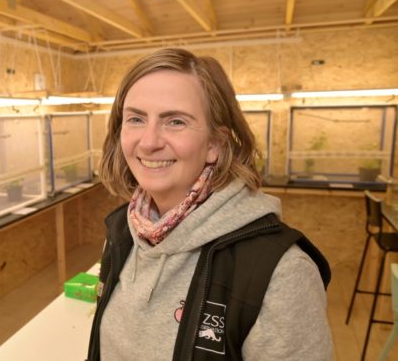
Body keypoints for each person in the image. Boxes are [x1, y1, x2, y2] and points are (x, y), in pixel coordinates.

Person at [87, 48, 332, 361]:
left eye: (175, 121)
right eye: (135, 118)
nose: (148, 142)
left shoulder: (281, 272)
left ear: (215, 144)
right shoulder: (123, 230)